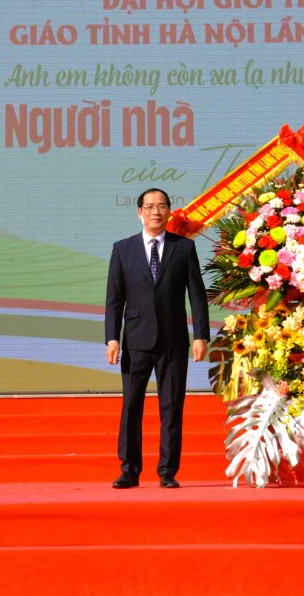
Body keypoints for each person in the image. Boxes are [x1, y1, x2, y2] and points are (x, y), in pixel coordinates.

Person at [105, 188, 210, 489]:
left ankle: (167, 471)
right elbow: (114, 298)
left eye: (162, 206)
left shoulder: (183, 248)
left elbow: (197, 297)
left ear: (169, 212)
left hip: (174, 340)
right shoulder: (123, 249)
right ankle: (129, 469)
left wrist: (201, 335)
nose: (156, 211)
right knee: (131, 406)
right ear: (139, 212)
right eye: (150, 207)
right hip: (136, 340)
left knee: (172, 406)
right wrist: (112, 338)